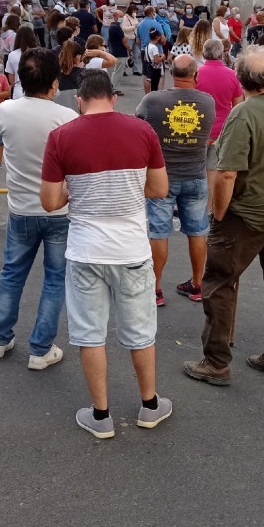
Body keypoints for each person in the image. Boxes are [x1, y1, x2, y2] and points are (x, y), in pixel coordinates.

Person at [38, 69, 172, 439]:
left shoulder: (61, 136)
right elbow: (160, 189)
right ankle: (149, 406)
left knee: (90, 334)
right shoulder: (142, 131)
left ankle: (101, 416)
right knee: (140, 331)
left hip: (84, 251)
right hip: (131, 249)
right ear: (113, 97)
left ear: (79, 100)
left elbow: (50, 201)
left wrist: (74, 190)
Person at [182, 46, 264, 386]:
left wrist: (218, 214)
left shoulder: (244, 114)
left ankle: (216, 362)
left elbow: (227, 173)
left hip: (250, 211)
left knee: (219, 282)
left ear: (241, 78)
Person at [0, 47, 78, 369]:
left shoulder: (7, 111)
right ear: (54, 83)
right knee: (55, 279)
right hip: (58, 210)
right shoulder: (67, 118)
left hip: (21, 209)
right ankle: (40, 348)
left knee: (12, 274)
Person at [136, 55, 216, 305]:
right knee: (197, 232)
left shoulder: (153, 100)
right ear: (196, 76)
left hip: (162, 177)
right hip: (195, 174)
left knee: (159, 233)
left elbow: (138, 122)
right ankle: (197, 283)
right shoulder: (207, 102)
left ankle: (156, 289)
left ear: (171, 73)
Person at [197, 38, 246, 200]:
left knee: (196, 171)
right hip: (222, 131)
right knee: (213, 171)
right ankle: (210, 209)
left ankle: (195, 207)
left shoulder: (196, 73)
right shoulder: (232, 75)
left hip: (198, 130)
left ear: (204, 53)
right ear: (222, 53)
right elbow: (238, 106)